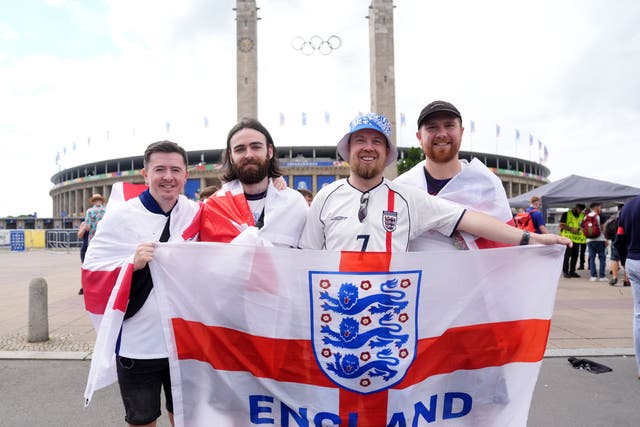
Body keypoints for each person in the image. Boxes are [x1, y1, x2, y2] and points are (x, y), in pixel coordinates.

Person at [300, 113, 570, 252]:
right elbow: (305, 257)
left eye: (376, 141)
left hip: (388, 317)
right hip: (335, 311)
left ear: (386, 152)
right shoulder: (326, 197)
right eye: (360, 140)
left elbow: (469, 220)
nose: (368, 148)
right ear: (348, 149)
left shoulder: (407, 197)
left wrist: (532, 238)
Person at [84, 141, 200, 427]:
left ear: (186, 175)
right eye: (159, 169)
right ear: (145, 174)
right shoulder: (120, 217)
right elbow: (92, 271)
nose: (168, 176)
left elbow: (233, 223)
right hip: (138, 346)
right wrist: (131, 264)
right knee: (141, 421)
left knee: (185, 417)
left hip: (185, 342)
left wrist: (275, 185)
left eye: (175, 169)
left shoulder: (196, 213)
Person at [395, 100, 513, 250]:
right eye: (432, 127)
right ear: (419, 137)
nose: (442, 134)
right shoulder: (402, 189)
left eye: (449, 125)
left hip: (474, 273)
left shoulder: (487, 184)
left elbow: (506, 247)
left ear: (461, 132)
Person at [192, 118, 308, 247]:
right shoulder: (213, 207)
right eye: (240, 149)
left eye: (256, 147)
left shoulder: (294, 203)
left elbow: (309, 256)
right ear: (231, 156)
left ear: (269, 151)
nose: (248, 155)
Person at [613, 195, 640, 379]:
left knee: (638, 314)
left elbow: (619, 239)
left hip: (633, 260)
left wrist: (624, 263)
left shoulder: (629, 206)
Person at [559, 203, 586, 278]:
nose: (581, 211)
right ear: (576, 207)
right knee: (567, 256)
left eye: (582, 210)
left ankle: (572, 271)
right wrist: (571, 229)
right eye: (579, 209)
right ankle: (565, 271)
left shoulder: (582, 215)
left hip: (577, 239)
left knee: (575, 255)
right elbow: (561, 225)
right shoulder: (566, 214)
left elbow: (583, 226)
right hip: (567, 238)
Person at [586, 202, 608, 282]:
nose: (600, 208)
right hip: (600, 240)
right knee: (602, 258)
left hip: (590, 240)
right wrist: (606, 239)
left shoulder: (586, 216)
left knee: (592, 258)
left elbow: (583, 228)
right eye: (600, 207)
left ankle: (593, 276)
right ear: (597, 208)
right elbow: (604, 228)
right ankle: (602, 276)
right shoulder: (600, 216)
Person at [77, 221, 89, 295]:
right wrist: (84, 228)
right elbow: (79, 236)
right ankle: (84, 287)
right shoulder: (84, 224)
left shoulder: (100, 222)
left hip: (96, 249)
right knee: (85, 269)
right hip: (85, 249)